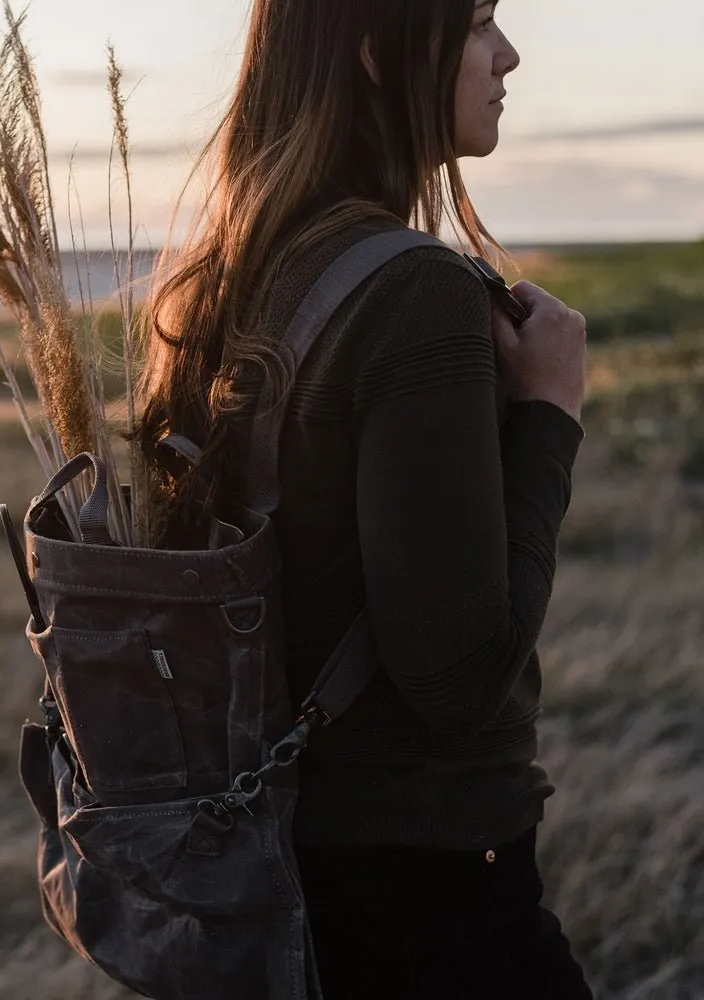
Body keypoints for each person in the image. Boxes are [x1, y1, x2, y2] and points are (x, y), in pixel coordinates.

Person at [136, 1, 593, 997]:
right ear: (383, 54)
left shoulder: (231, 276)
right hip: (430, 892)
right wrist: (551, 414)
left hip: (278, 865)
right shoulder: (415, 292)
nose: (507, 55)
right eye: (475, 23)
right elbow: (457, 678)